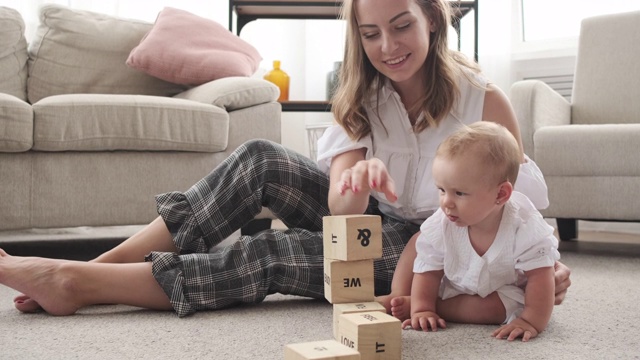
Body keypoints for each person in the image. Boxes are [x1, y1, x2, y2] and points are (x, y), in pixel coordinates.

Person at [0, 0, 571, 318]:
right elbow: (345, 220)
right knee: (258, 159)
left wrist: (539, 264)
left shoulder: (483, 99)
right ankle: (105, 263)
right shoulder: (360, 100)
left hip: (432, 247)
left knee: (272, 251)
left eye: (402, 26)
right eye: (370, 34)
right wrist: (360, 179)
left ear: (432, 20)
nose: (388, 47)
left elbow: (510, 199)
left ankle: (79, 283)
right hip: (368, 226)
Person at [398, 121, 559, 342]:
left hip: (502, 290)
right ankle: (411, 300)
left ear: (501, 195)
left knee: (496, 309)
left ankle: (438, 307)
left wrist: (530, 320)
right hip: (454, 284)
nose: (447, 202)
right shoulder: (442, 223)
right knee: (419, 244)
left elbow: (541, 278)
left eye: (460, 193)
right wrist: (422, 308)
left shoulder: (524, 227)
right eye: (442, 190)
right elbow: (428, 269)